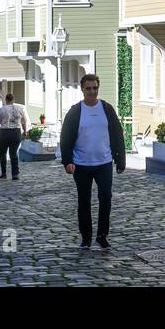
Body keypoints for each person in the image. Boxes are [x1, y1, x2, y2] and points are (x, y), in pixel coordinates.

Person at [59, 73, 126, 249]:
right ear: (82, 89)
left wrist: (121, 160)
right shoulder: (75, 111)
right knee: (84, 201)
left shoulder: (106, 108)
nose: (92, 91)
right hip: (81, 163)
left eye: (95, 88)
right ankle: (86, 237)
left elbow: (118, 134)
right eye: (88, 88)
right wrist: (67, 161)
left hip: (104, 162)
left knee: (106, 198)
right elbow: (65, 137)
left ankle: (102, 235)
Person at [0, 94, 29, 180]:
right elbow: (23, 122)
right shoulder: (20, 108)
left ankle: (4, 173)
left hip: (4, 133)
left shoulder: (2, 109)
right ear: (13, 99)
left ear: (6, 100)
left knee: (3, 153)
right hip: (16, 132)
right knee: (13, 153)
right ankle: (15, 174)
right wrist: (24, 131)